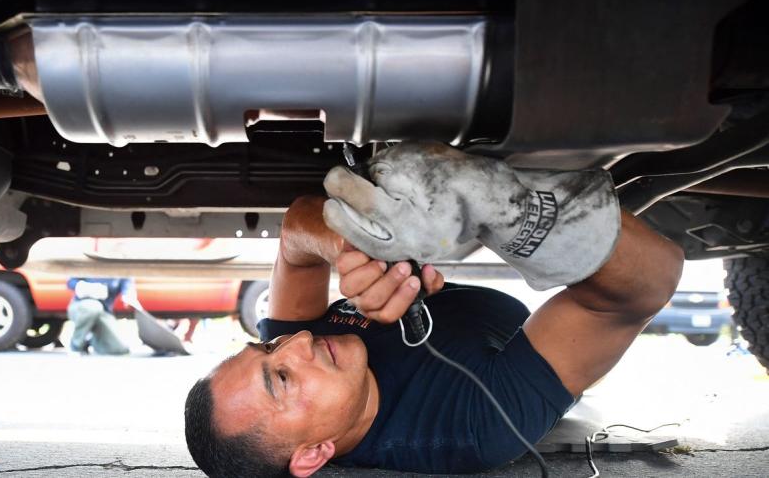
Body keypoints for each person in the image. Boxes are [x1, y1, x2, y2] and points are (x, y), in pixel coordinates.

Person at [183, 143, 684, 477]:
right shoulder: (473, 425)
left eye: (267, 345)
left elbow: (295, 230)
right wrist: (509, 206)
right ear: (314, 454)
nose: (296, 343)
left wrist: (352, 248)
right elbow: (643, 288)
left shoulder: (309, 349)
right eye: (283, 380)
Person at [66, 277, 135, 355]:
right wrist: (87, 287)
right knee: (93, 307)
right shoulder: (90, 265)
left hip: (104, 313)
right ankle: (76, 345)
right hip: (81, 306)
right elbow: (70, 282)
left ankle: (92, 340)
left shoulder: (122, 271)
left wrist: (128, 298)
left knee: (119, 349)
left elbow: (128, 289)